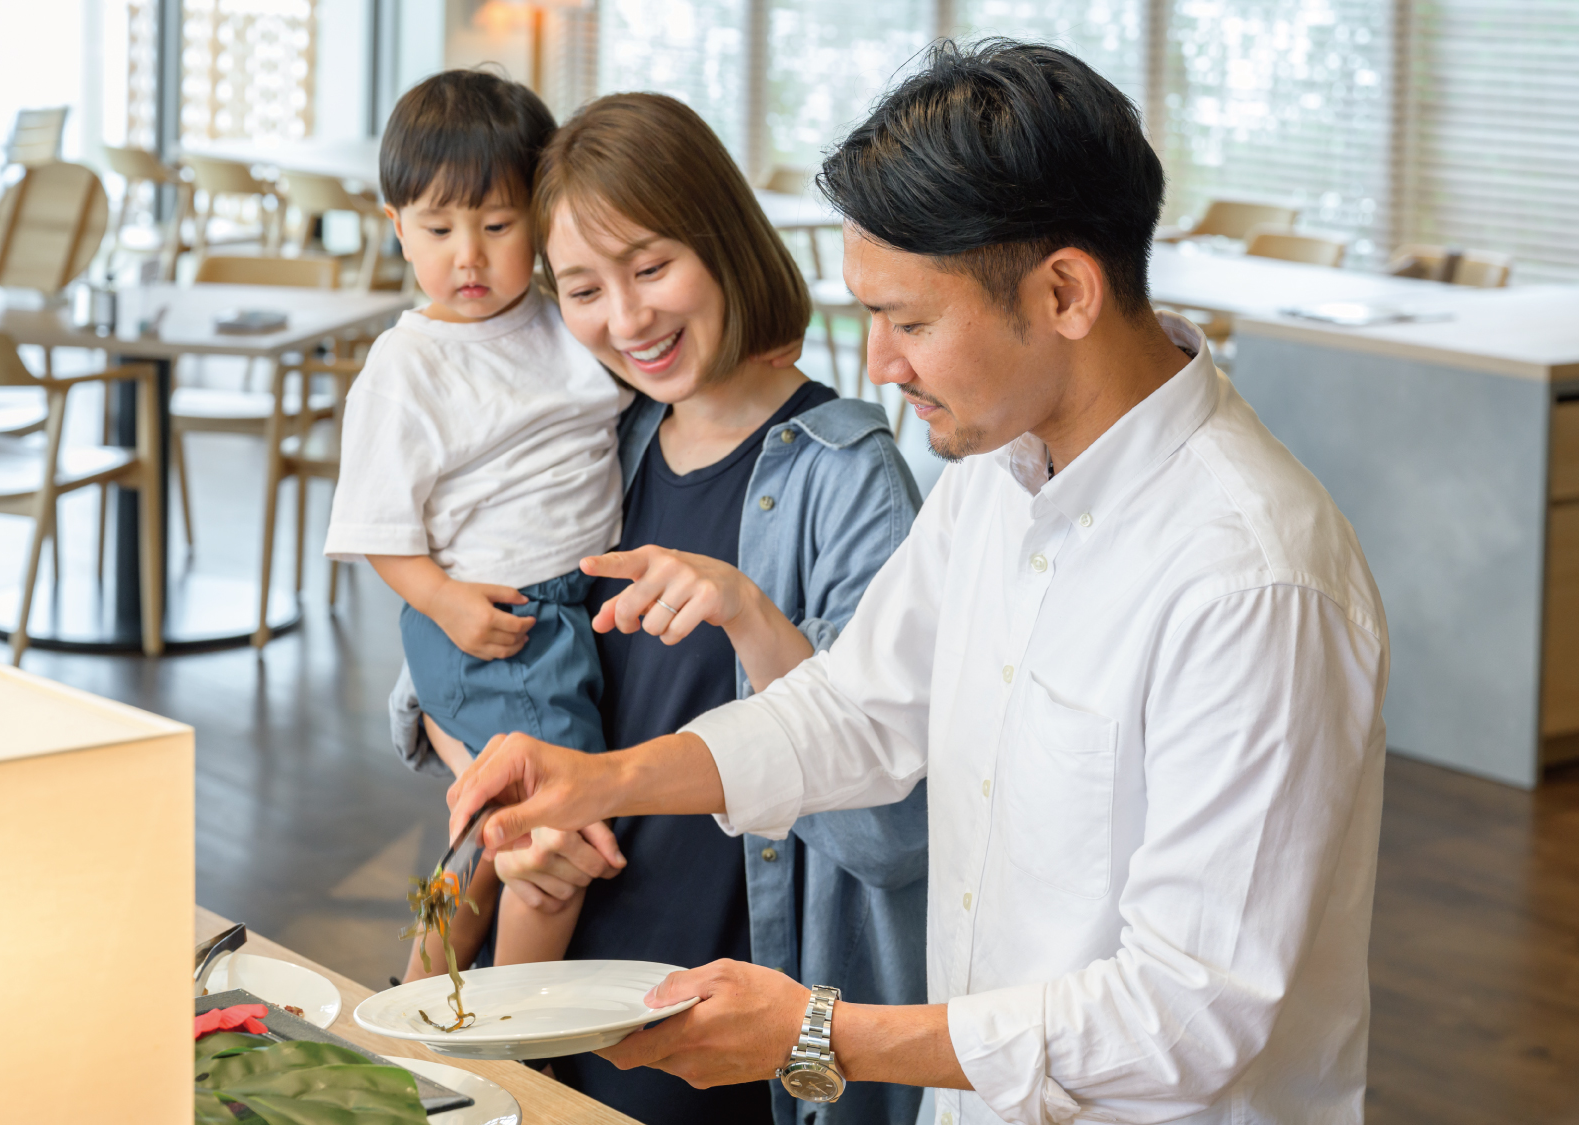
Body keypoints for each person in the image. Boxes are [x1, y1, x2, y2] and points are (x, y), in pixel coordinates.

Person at [447, 40, 1391, 1125]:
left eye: (910, 321)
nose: (881, 366)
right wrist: (603, 782)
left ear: (1065, 292)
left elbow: (1190, 1016)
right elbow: (857, 706)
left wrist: (819, 1033)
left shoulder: (1251, 580)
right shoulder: (999, 475)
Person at [393, 93, 930, 1125]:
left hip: (734, 1008)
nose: (626, 320)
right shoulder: (596, 438)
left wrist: (747, 615)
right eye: (584, 288)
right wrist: (508, 804)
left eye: (650, 268)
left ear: (721, 240)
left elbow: (893, 830)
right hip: (562, 981)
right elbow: (431, 672)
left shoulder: (848, 477)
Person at [321, 69, 631, 967]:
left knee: (486, 836)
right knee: (551, 842)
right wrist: (448, 603)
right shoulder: (407, 365)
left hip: (572, 610)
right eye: (438, 229)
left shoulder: (562, 320)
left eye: (497, 227)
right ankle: (516, 1038)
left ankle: (418, 1001)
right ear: (396, 228)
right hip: (499, 620)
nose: (469, 256)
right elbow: (380, 528)